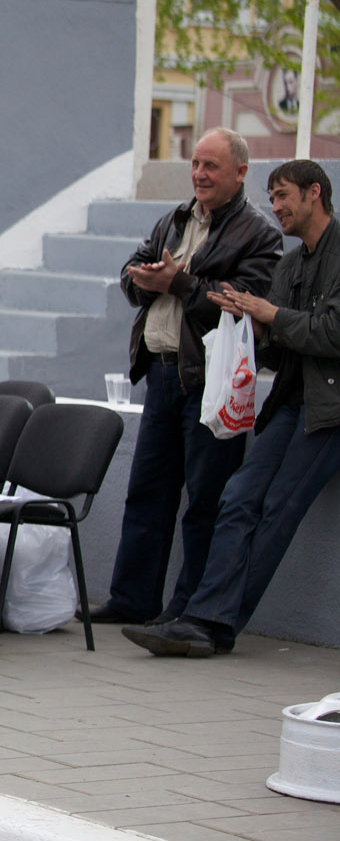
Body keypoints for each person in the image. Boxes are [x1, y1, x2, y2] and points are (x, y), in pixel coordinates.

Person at [126, 159, 340, 657]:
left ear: (314, 193)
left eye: (283, 195)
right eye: (272, 197)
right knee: (238, 497)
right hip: (290, 400)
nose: (276, 207)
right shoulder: (291, 263)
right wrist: (253, 326)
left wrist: (271, 314)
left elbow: (332, 333)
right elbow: (277, 353)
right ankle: (202, 619)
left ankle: (209, 622)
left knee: (276, 509)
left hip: (329, 411)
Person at [85, 129, 281, 626]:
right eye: (195, 163)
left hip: (211, 381)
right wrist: (147, 281)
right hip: (160, 372)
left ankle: (189, 609)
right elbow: (130, 272)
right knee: (147, 492)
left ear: (240, 172)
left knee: (206, 500)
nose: (199, 174)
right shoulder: (174, 218)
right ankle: (132, 600)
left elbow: (246, 304)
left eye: (211, 166)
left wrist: (178, 282)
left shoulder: (259, 233)